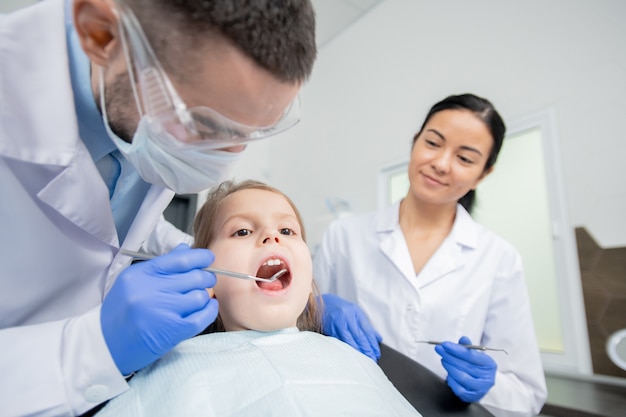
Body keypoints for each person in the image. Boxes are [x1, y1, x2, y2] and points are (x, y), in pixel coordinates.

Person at [0, 0, 316, 415]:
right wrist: (94, 347)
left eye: (254, 131)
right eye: (206, 126)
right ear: (101, 34)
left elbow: (107, 221)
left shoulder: (142, 107)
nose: (228, 157)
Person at [95, 179, 422, 417]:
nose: (272, 236)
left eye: (288, 231)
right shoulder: (169, 369)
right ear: (206, 279)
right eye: (242, 231)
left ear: (308, 280)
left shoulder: (353, 360)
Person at [313, 94, 548, 417]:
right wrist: (317, 309)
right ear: (415, 142)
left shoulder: (499, 258)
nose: (440, 163)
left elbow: (526, 395)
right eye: (434, 143)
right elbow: (298, 328)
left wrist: (487, 385)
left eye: (465, 159)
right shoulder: (345, 235)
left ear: (483, 175)